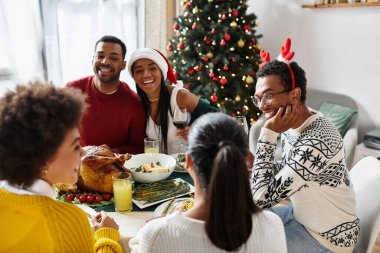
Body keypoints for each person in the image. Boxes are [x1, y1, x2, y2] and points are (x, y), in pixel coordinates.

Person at [250, 38, 359, 253]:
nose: (262, 106)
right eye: (258, 98)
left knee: (250, 245)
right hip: (302, 217)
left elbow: (260, 199)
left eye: (269, 96)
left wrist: (267, 133)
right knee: (241, 227)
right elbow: (287, 169)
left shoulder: (317, 141)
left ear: (295, 94)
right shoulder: (297, 122)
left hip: (328, 238)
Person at [129, 112, 287, 253]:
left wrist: (139, 237)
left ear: (188, 161)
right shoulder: (273, 225)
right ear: (246, 160)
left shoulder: (157, 235)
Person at [0, 81, 122, 252]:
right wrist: (106, 236)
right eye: (75, 146)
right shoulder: (68, 221)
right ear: (43, 160)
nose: (82, 154)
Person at [127, 48, 218, 154]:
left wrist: (197, 131)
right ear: (134, 77)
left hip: (187, 167)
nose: (146, 74)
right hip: (158, 168)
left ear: (161, 72)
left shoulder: (180, 96)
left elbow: (218, 118)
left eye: (152, 68)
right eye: (139, 71)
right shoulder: (138, 104)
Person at [66, 35, 145, 154]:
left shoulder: (134, 103)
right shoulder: (72, 90)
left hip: (115, 168)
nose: (105, 61)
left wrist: (112, 152)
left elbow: (139, 147)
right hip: (76, 164)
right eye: (100, 56)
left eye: (113, 58)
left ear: (123, 65)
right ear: (93, 59)